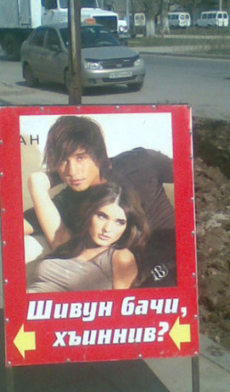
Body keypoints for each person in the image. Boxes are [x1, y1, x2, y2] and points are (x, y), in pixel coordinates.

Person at [24, 115, 177, 287]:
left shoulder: (139, 162)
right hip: (135, 285)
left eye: (80, 158)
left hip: (180, 263)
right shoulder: (69, 200)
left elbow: (192, 175)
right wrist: (36, 185)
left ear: (98, 154)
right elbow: (13, 229)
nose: (72, 171)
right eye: (63, 161)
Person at [28, 181, 149, 293]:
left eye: (119, 222)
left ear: (127, 227)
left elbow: (122, 305)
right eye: (102, 216)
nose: (107, 228)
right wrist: (72, 174)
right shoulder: (68, 242)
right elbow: (36, 182)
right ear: (89, 213)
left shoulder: (121, 258)